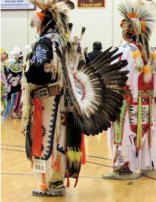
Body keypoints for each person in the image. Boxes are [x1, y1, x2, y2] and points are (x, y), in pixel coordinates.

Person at [22, 0, 128, 196]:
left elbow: (37, 68)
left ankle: (52, 184)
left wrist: (28, 76)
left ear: (45, 23)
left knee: (48, 140)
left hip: (48, 102)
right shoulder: (69, 42)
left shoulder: (45, 42)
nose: (36, 28)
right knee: (63, 140)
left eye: (38, 23)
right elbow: (84, 65)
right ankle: (57, 182)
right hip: (69, 104)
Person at [103, 1, 156, 179]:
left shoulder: (125, 51)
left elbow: (119, 79)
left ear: (126, 31)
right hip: (146, 102)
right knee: (145, 131)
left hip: (126, 101)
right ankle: (148, 163)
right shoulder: (153, 52)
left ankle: (123, 168)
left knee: (124, 133)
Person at [2, 47, 23, 119]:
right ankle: (12, 112)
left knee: (14, 98)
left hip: (15, 85)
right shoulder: (11, 63)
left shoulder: (13, 63)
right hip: (13, 85)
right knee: (12, 99)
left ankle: (13, 112)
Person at [1, 49, 9, 114]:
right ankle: (4, 109)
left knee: (5, 96)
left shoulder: (7, 62)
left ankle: (6, 110)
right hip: (2, 83)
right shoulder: (1, 63)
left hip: (6, 83)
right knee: (2, 97)